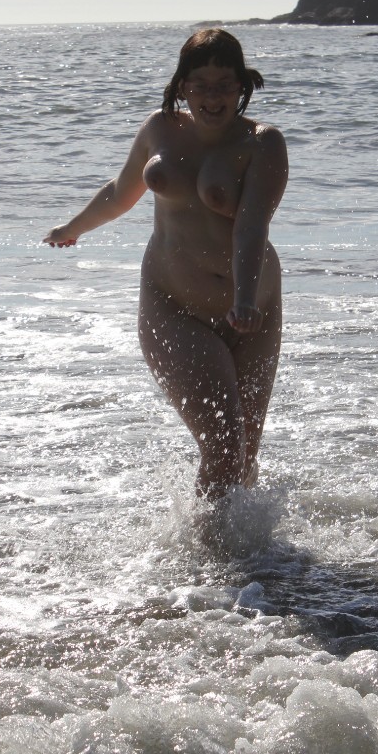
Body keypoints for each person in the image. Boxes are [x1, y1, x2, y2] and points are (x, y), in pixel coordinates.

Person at [44, 28, 288, 499]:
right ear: (182, 87)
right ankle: (204, 542)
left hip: (254, 308)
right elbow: (121, 192)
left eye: (224, 84)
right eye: (200, 85)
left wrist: (243, 299)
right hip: (174, 304)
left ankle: (252, 544)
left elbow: (252, 225)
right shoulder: (159, 128)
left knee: (244, 454)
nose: (212, 97)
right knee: (223, 447)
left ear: (242, 86)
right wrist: (72, 228)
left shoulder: (263, 143)